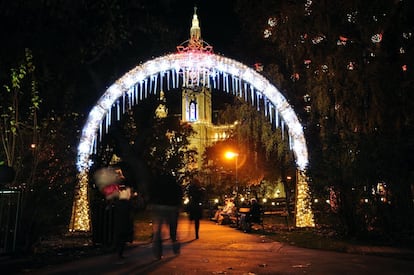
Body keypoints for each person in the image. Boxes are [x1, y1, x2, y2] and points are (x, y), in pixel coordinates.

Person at [149, 171, 183, 260]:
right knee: (173, 230)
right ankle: (175, 247)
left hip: (158, 207)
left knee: (158, 232)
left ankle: (158, 253)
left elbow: (151, 194)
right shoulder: (175, 185)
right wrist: (178, 205)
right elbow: (179, 195)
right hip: (171, 207)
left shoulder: (156, 184)